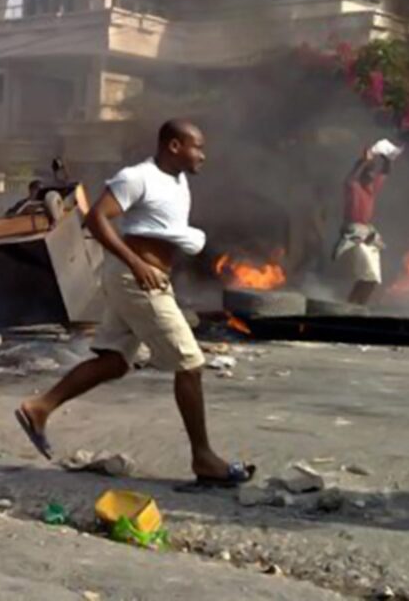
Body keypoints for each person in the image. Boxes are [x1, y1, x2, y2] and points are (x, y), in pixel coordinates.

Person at [14, 120, 255, 490]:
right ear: (174, 145)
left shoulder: (178, 180)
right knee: (190, 363)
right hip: (136, 279)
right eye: (196, 147)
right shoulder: (137, 177)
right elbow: (96, 218)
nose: (203, 155)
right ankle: (203, 457)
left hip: (145, 277)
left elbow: (160, 228)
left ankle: (39, 407)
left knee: (114, 361)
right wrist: (137, 263)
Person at [333, 140, 400, 305]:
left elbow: (385, 172)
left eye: (373, 174)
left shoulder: (372, 189)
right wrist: (364, 161)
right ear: (362, 176)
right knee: (366, 275)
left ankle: (357, 306)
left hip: (368, 232)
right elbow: (351, 176)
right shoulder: (354, 187)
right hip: (354, 232)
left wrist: (388, 157)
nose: (372, 176)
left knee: (373, 279)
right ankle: (350, 306)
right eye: (369, 173)